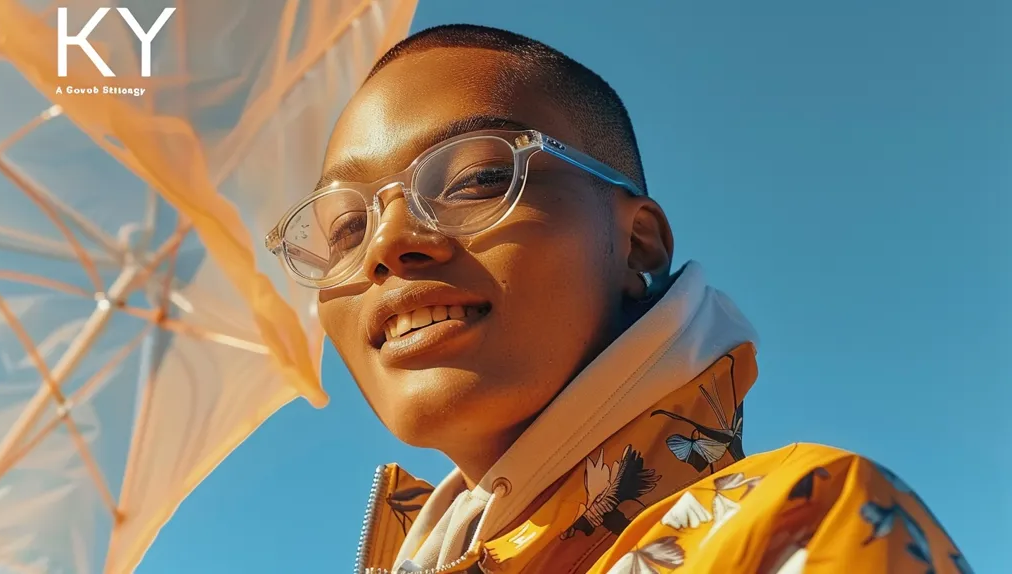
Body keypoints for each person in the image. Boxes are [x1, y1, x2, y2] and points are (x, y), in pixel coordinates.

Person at [265, 24, 970, 574]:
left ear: (638, 245)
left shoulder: (803, 525)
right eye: (348, 227)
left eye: (475, 179)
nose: (388, 243)